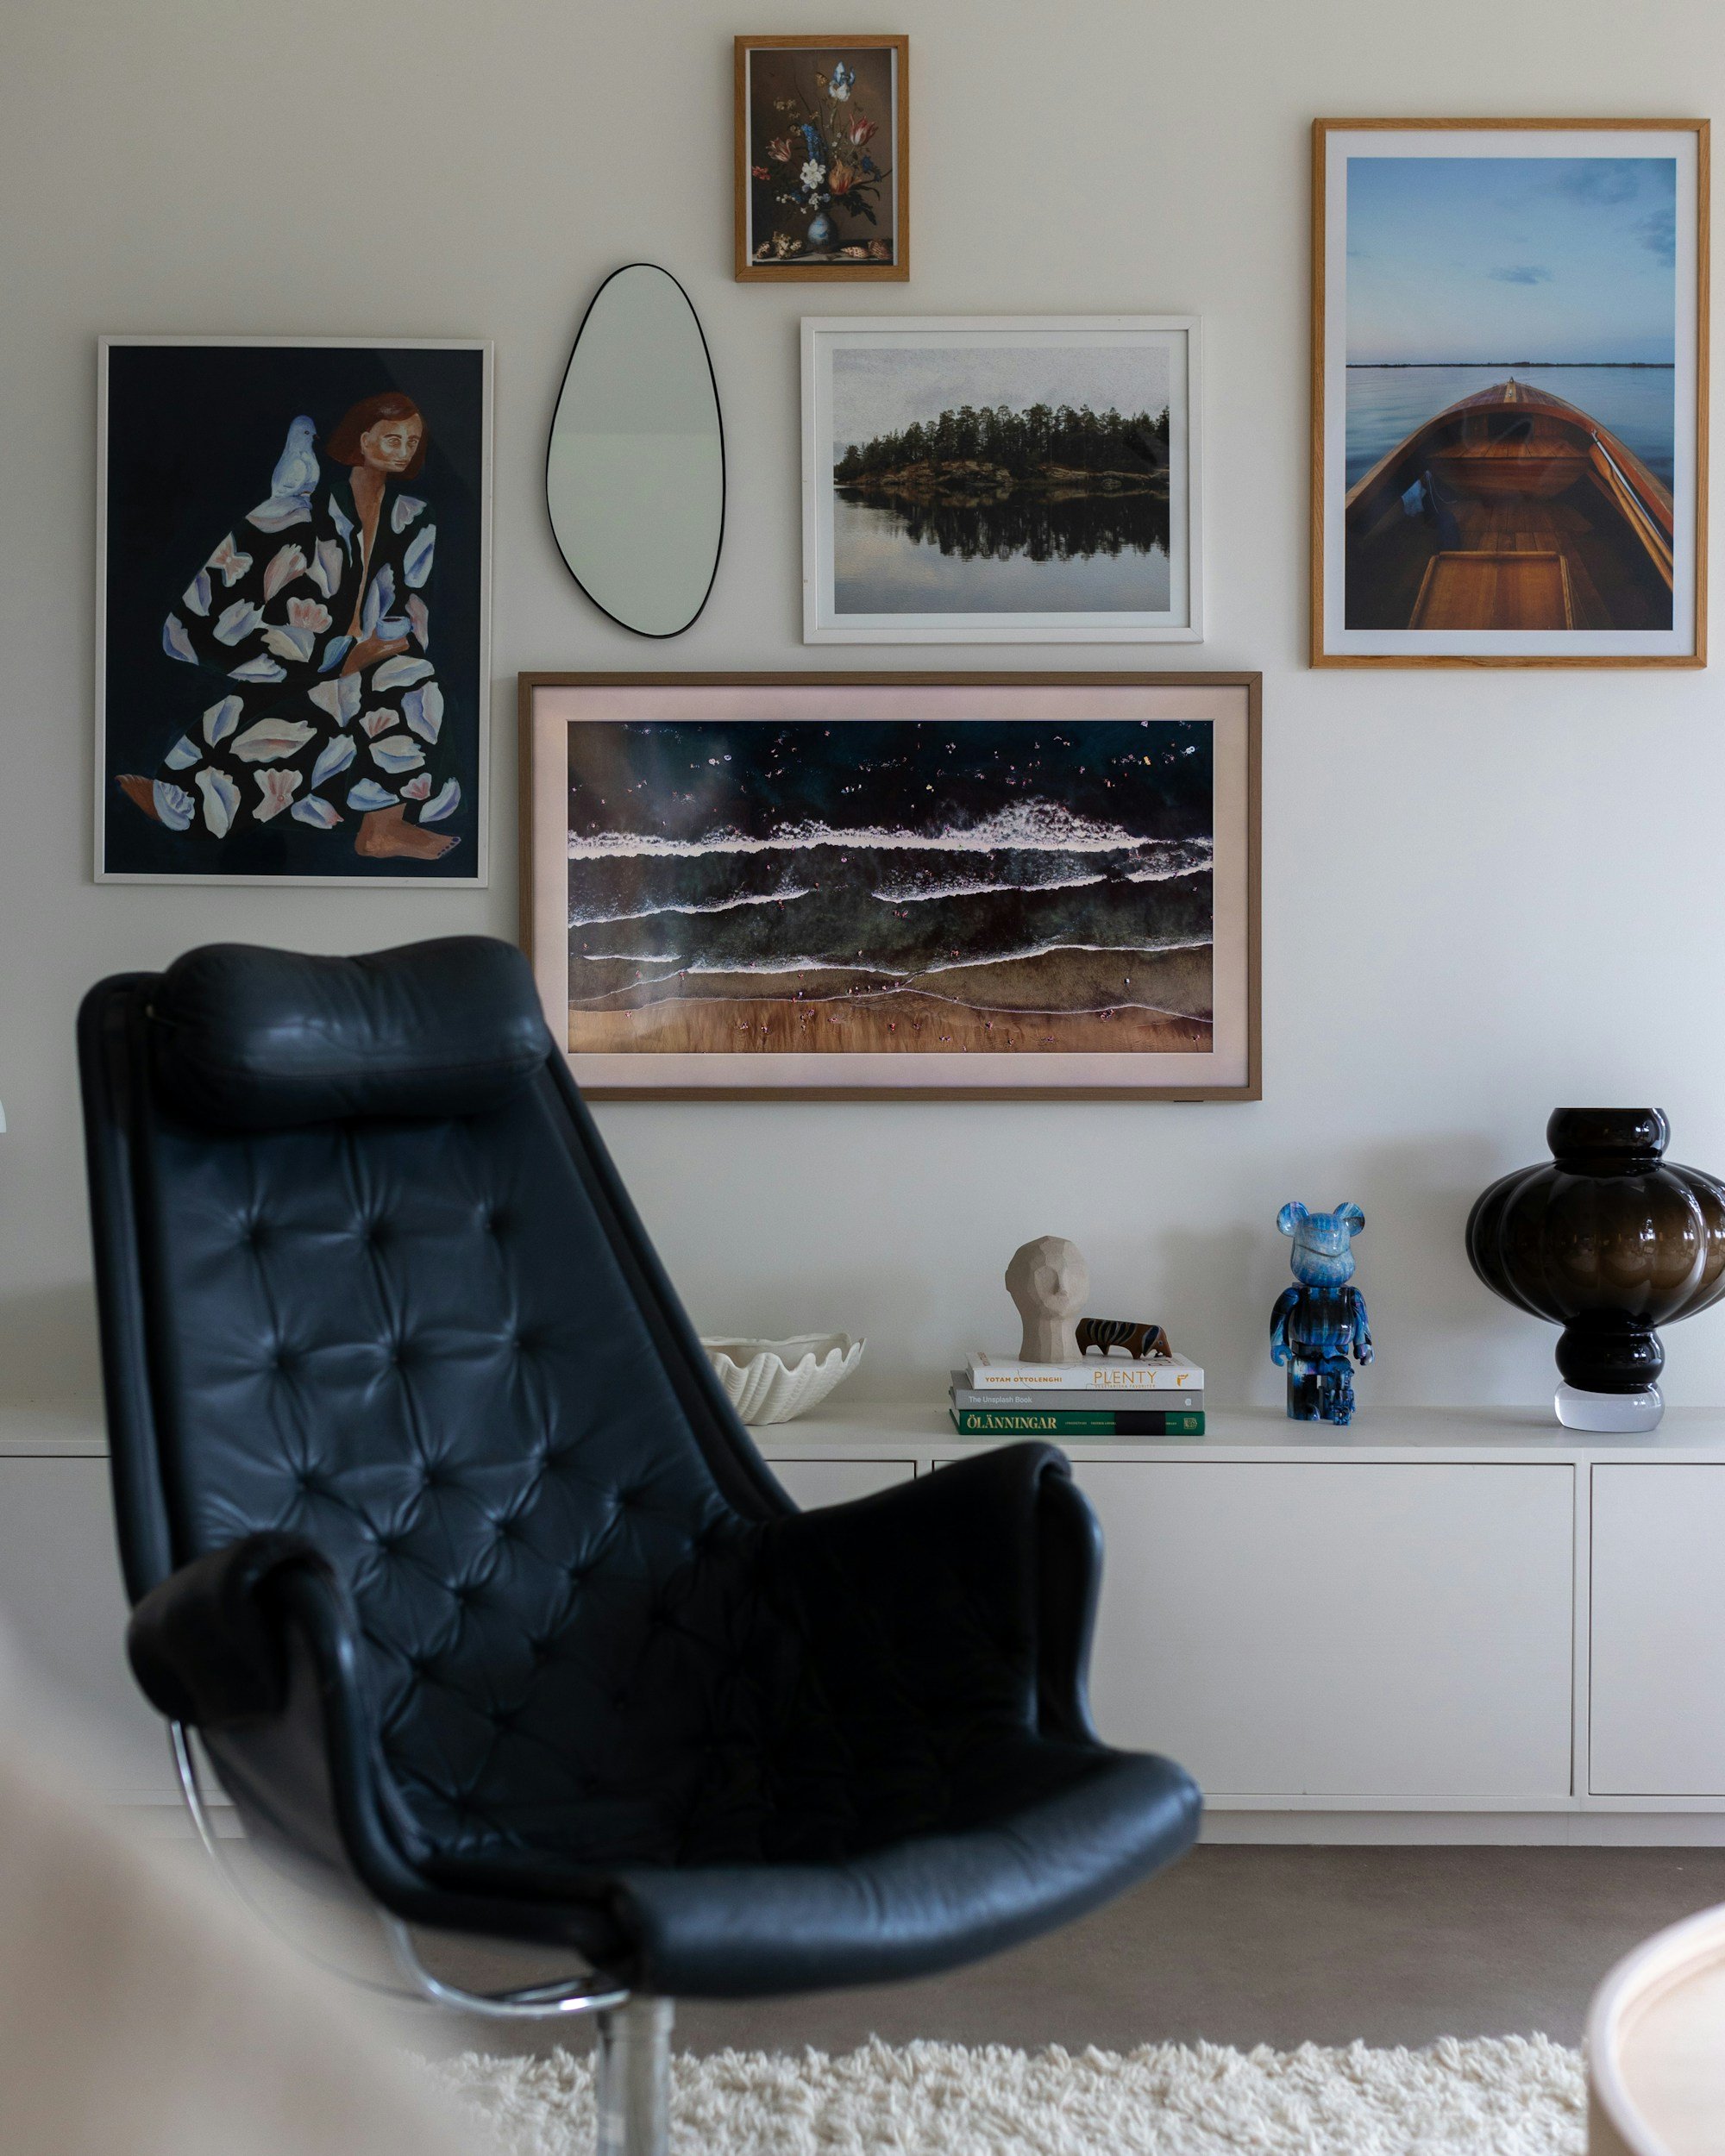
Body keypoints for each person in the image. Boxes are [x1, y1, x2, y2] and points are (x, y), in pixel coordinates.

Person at [117, 392, 461, 863]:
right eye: (393, 437)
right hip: (303, 657)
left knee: (412, 677)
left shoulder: (417, 516)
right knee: (286, 728)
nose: (403, 449)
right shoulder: (309, 508)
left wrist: (380, 648)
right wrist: (329, 653)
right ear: (362, 439)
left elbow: (416, 604)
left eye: (413, 441)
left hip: (375, 657)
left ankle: (382, 828)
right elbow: (222, 590)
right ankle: (195, 806)